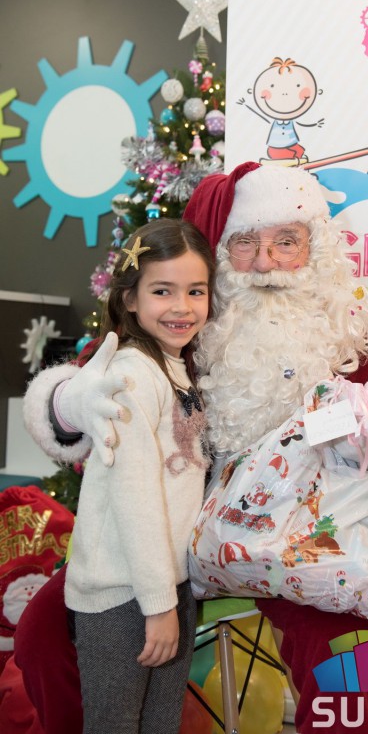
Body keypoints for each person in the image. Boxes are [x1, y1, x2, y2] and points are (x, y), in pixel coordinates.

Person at [17, 162, 368, 733]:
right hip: (162, 542)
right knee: (42, 633)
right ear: (220, 256)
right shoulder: (180, 320)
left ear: (315, 249)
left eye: (287, 242)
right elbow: (68, 398)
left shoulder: (343, 331)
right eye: (246, 243)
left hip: (294, 546)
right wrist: (72, 402)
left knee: (352, 661)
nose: (266, 262)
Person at [23, 218, 214, 734]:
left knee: (159, 724)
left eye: (196, 291)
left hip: (166, 586)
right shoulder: (130, 376)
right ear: (130, 298)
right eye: (162, 291)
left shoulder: (179, 368)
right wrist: (159, 605)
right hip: (123, 594)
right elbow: (136, 497)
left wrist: (171, 597)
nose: (181, 307)